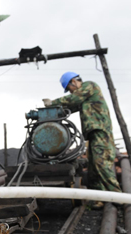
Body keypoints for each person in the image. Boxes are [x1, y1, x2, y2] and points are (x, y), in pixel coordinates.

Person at [43, 72, 121, 207]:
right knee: (93, 167)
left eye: (69, 88)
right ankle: (99, 198)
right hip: (92, 134)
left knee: (101, 163)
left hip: (100, 131)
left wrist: (52, 103)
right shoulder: (83, 97)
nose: (70, 91)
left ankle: (119, 198)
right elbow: (69, 107)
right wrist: (50, 111)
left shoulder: (89, 86)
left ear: (73, 81)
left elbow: (73, 99)